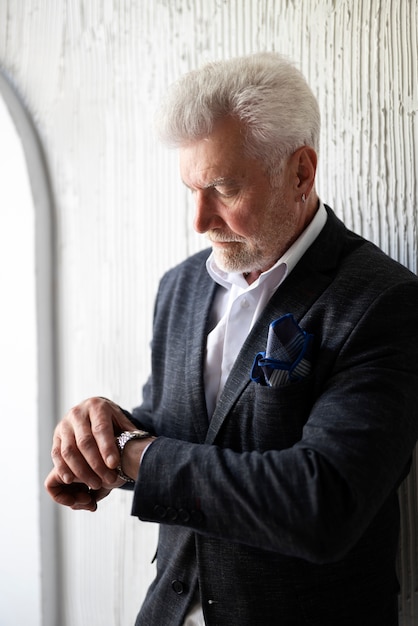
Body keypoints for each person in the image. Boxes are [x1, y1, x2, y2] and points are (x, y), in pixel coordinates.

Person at [45, 52, 418, 626]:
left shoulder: (384, 301)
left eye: (222, 187)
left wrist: (139, 457)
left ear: (300, 171)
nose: (199, 220)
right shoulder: (181, 287)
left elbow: (322, 504)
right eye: (191, 188)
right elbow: (184, 430)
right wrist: (103, 438)